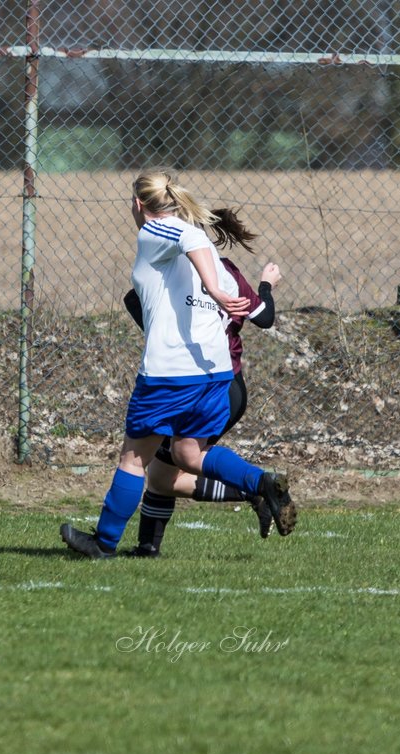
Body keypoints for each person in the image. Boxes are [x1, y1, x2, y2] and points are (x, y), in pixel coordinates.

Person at [60, 170, 297, 559]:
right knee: (189, 455)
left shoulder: (156, 232)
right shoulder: (219, 262)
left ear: (139, 204)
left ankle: (102, 544)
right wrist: (219, 285)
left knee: (135, 458)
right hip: (216, 375)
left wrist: (215, 290)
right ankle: (261, 483)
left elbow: (190, 236)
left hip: (172, 374)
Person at [121, 207, 284, 557]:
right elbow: (266, 317)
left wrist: (163, 337)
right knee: (165, 474)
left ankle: (257, 488)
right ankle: (147, 548)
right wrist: (266, 285)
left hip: (201, 386)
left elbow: (133, 300)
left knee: (168, 467)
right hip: (227, 385)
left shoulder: (169, 271)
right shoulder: (227, 272)